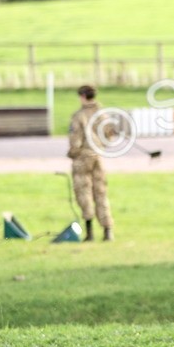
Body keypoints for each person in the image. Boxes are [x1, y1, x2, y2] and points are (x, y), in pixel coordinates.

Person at [67, 85, 114, 241]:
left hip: (83, 158)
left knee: (83, 193)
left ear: (82, 96)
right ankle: (108, 231)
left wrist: (73, 153)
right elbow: (109, 135)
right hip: (98, 157)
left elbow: (75, 140)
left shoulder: (79, 116)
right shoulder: (103, 115)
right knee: (101, 193)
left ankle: (89, 232)